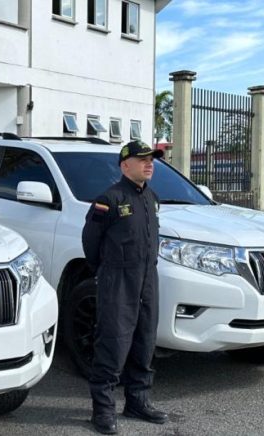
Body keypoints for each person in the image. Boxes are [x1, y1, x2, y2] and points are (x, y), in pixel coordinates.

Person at [81, 141, 168, 434]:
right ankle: (103, 410)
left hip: (147, 278)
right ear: (125, 165)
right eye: (142, 159)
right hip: (118, 279)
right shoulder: (109, 199)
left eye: (151, 159)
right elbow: (91, 242)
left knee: (145, 341)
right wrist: (105, 271)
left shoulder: (152, 197)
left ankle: (137, 401)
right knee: (113, 344)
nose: (149, 164)